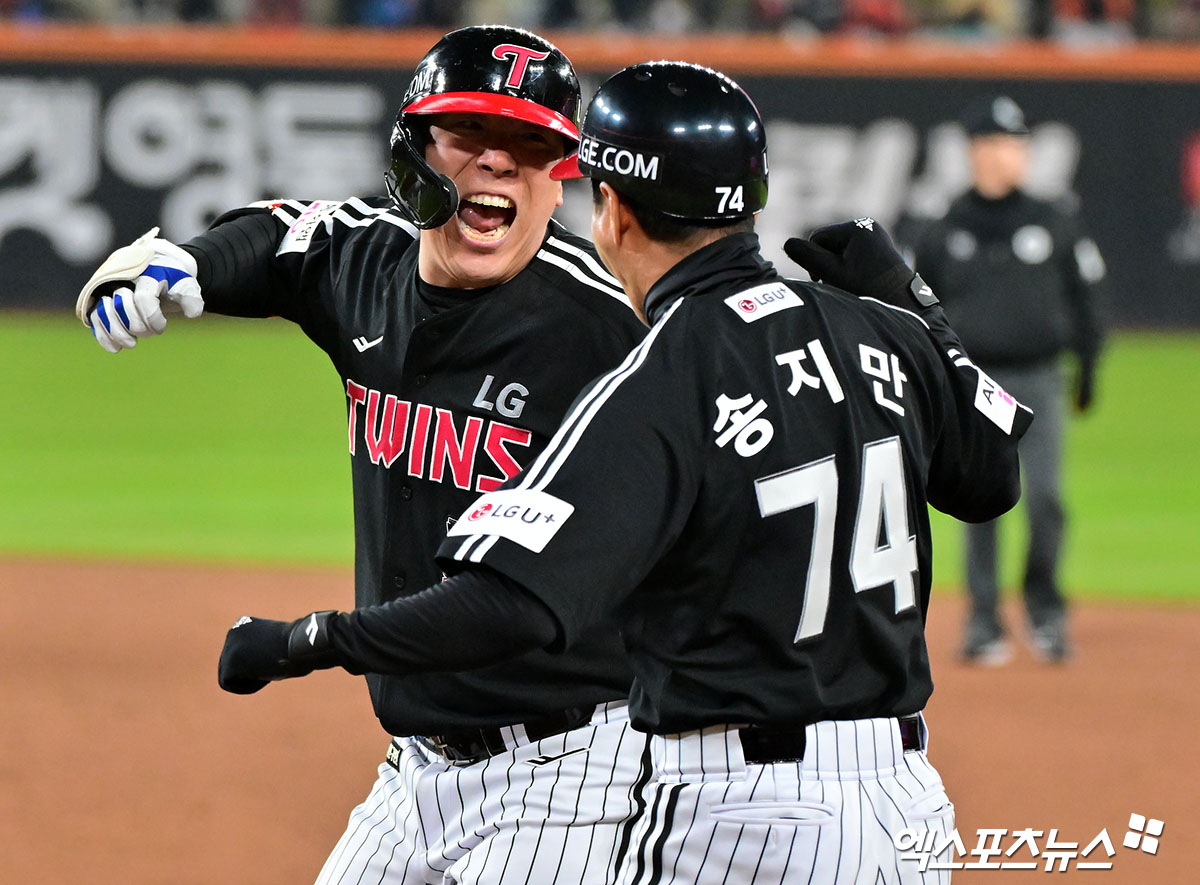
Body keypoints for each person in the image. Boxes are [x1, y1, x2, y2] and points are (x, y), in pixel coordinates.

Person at [216, 61, 1031, 883]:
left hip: (739, 819)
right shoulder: (873, 331)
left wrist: (308, 639)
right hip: (904, 801)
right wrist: (919, 310)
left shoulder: (663, 376)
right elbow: (991, 479)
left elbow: (512, 602)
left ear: (614, 212)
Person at [76, 26, 652, 885]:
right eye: (469, 135)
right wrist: (180, 263)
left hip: (571, 771)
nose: (500, 163)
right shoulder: (366, 258)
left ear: (560, 175)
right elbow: (277, 236)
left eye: (533, 143)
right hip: (414, 770)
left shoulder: (612, 330)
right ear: (414, 155)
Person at [913, 95, 1106, 665]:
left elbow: (1088, 298)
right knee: (982, 503)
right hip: (975, 384)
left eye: (1016, 145)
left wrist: (1088, 369)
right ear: (973, 152)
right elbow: (919, 311)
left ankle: (1044, 612)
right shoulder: (944, 226)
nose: (1006, 156)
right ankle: (983, 620)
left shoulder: (1055, 219)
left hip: (1040, 377)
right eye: (995, 144)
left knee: (1045, 500)